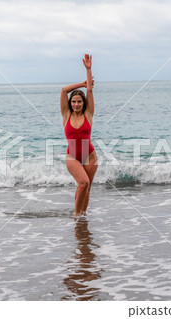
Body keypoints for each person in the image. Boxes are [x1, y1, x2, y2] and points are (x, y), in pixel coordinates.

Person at [60, 54, 98, 217]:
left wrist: (88, 70)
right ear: (70, 103)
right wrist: (82, 84)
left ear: (84, 104)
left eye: (79, 102)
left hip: (89, 155)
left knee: (86, 187)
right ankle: (76, 214)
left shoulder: (88, 114)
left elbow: (89, 90)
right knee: (83, 182)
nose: (76, 104)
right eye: (74, 101)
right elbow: (63, 90)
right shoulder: (66, 115)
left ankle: (82, 215)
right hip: (72, 156)